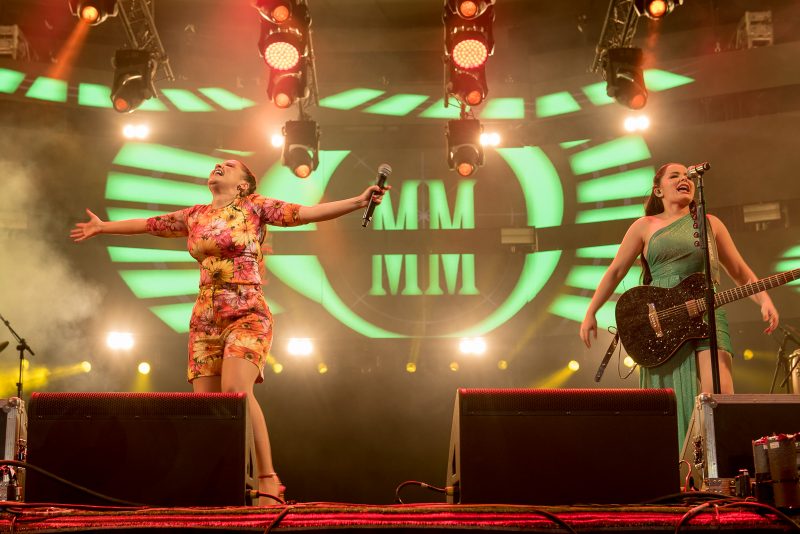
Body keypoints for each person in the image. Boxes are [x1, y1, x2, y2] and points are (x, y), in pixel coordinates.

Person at [71, 159, 389, 504]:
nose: (219, 165)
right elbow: (149, 224)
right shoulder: (195, 215)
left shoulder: (254, 207)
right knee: (209, 408)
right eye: (218, 163)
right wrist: (103, 228)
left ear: (243, 185)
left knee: (236, 391)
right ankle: (219, 482)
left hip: (247, 312)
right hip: (205, 318)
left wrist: (359, 201)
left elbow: (306, 213)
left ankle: (268, 478)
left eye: (230, 165)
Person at [579, 162, 779, 449]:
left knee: (721, 396)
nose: (684, 179)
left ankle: (718, 470)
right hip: (662, 319)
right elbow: (615, 271)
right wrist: (591, 311)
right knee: (669, 400)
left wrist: (765, 299)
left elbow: (739, 270)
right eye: (675, 176)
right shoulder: (644, 226)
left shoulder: (710, 223)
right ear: (658, 189)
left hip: (707, 313)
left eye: (687, 176)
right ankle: (679, 470)